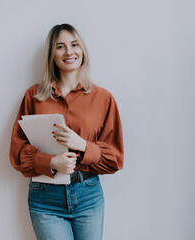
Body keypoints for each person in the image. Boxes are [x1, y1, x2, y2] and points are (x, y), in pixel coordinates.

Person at [9, 23, 124, 240]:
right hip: (45, 199)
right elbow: (17, 153)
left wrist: (83, 146)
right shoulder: (33, 96)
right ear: (51, 54)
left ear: (83, 50)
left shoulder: (104, 98)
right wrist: (51, 162)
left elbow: (115, 159)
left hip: (88, 195)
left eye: (74, 44)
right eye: (60, 46)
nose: (69, 52)